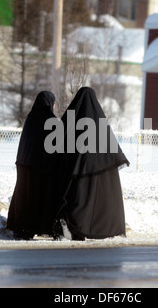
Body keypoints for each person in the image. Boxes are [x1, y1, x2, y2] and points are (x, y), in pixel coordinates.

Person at [52, 87, 129, 240]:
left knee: (77, 199)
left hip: (74, 173)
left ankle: (71, 226)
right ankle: (96, 229)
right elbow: (111, 150)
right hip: (98, 173)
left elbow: (56, 146)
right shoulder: (99, 120)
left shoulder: (70, 119)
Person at [6, 91, 57, 240]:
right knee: (37, 198)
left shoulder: (30, 118)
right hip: (40, 167)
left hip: (23, 163)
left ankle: (19, 225)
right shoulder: (50, 121)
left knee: (23, 194)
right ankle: (34, 227)